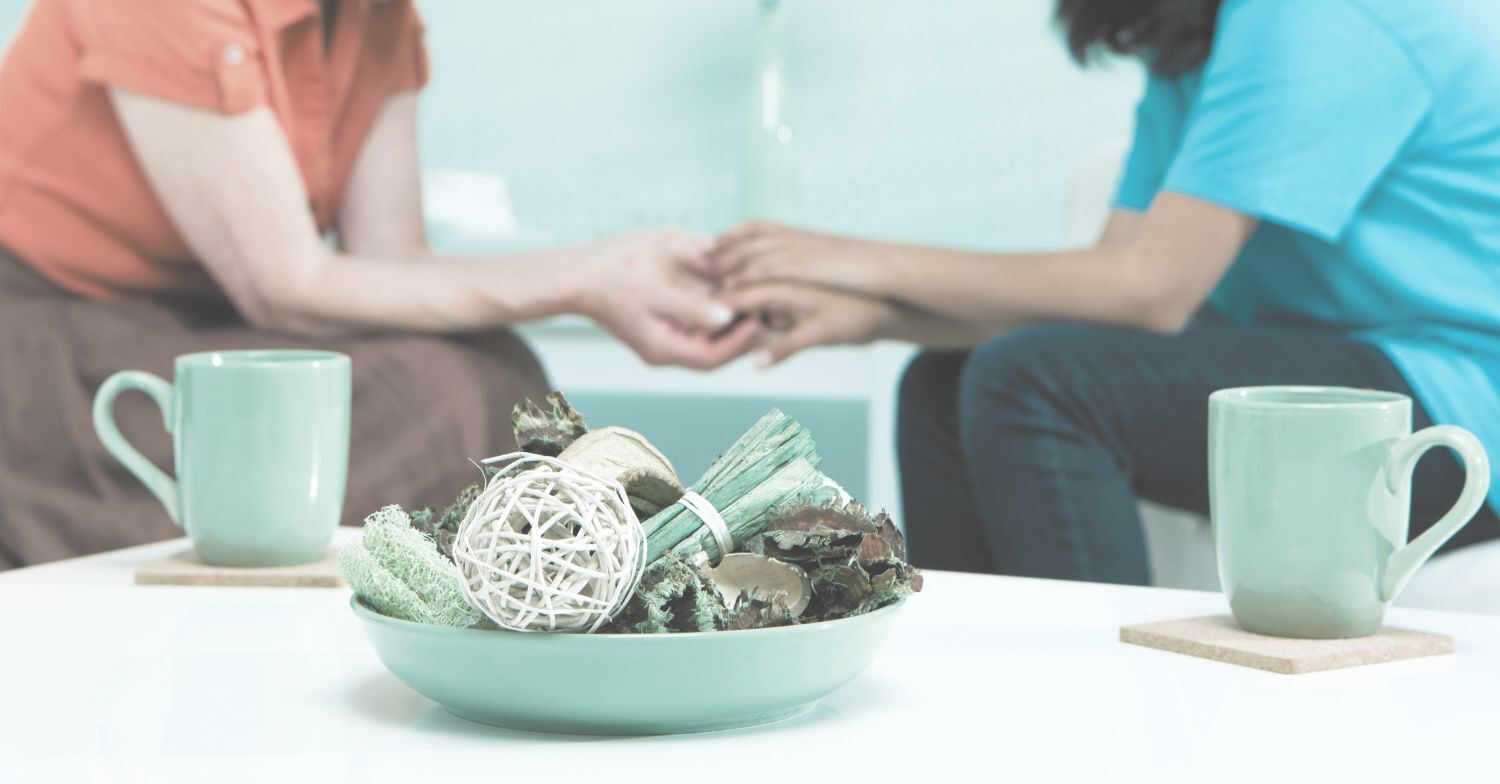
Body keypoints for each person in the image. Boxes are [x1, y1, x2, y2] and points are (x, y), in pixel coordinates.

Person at [711, 0, 1500, 582]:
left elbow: (1151, 290)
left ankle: (1110, 713)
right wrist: (873, 317)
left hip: (1461, 414)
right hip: (1338, 380)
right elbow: (1107, 285)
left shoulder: (1322, 17)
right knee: (941, 384)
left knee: (1032, 379)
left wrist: (847, 258)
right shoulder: (1200, 48)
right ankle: (974, 705)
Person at [0, 0, 763, 568]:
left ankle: (441, 606)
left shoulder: (378, 18)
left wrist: (612, 283)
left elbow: (391, 261)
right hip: (48, 324)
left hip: (208, 319)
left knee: (496, 372)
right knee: (437, 393)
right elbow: (288, 285)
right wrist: (588, 279)